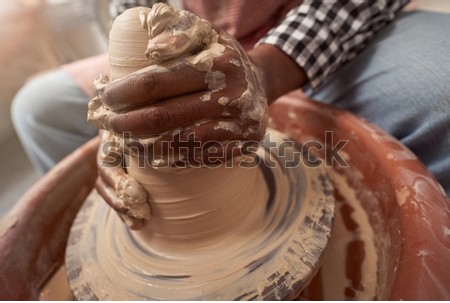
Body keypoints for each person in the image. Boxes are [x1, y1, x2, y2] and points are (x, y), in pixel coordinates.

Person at [12, 0, 450, 204]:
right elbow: (132, 12)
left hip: (313, 33)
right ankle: (149, 222)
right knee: (40, 111)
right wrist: (124, 131)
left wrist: (268, 70)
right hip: (185, 44)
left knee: (443, 92)